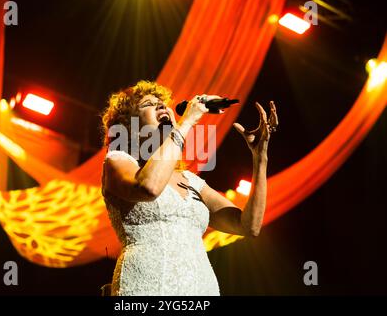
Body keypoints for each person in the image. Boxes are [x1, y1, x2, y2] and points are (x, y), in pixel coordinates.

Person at [100, 80, 278, 296]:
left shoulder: (190, 181)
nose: (161, 106)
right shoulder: (117, 161)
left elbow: (248, 226)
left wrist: (260, 158)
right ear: (130, 126)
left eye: (162, 103)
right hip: (150, 286)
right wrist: (187, 122)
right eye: (148, 104)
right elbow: (149, 187)